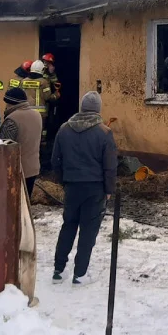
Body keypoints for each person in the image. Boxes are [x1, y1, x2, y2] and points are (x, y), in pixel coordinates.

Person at [51, 91, 116, 286]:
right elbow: (110, 166)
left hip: (72, 185)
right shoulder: (104, 132)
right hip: (94, 188)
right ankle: (80, 274)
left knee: (68, 225)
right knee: (88, 230)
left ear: (81, 107)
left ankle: (58, 270)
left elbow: (55, 160)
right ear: (98, 109)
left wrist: (64, 180)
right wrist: (109, 189)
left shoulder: (64, 129)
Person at [0, 85, 41, 198]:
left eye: (7, 103)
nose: (6, 106)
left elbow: (4, 147)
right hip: (33, 167)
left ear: (11, 103)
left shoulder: (12, 119)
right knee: (25, 202)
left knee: (13, 205)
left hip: (16, 170)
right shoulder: (37, 115)